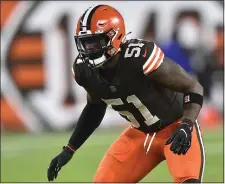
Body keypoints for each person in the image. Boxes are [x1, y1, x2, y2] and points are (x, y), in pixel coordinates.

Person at [47, 5, 205, 183]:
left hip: (176, 128)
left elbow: (194, 87)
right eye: (85, 43)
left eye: (95, 42)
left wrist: (186, 125)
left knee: (188, 181)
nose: (89, 49)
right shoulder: (84, 70)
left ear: (116, 36)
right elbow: (95, 107)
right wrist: (70, 148)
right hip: (139, 134)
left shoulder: (140, 57)